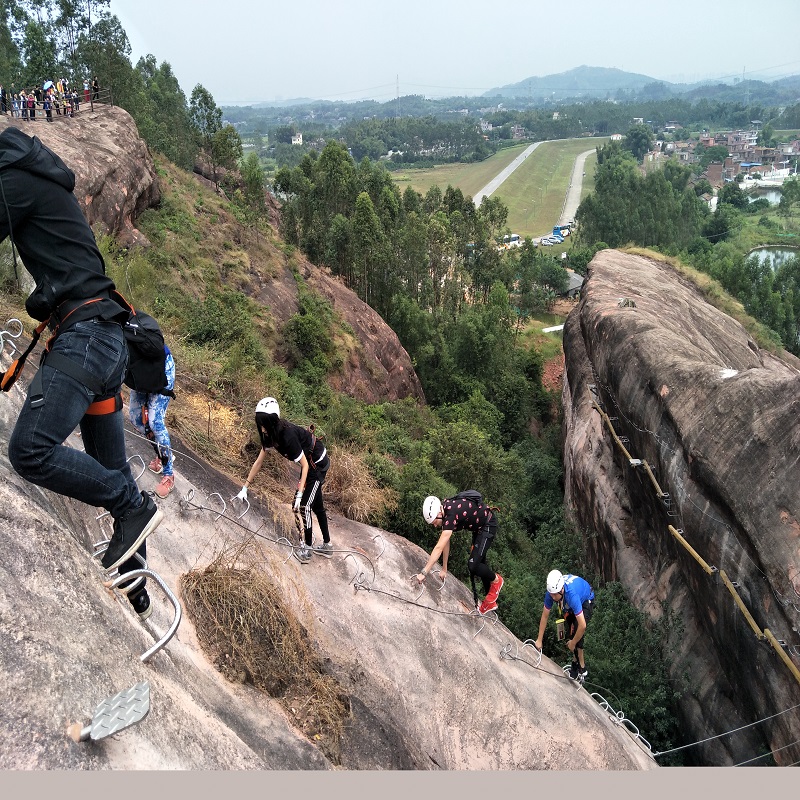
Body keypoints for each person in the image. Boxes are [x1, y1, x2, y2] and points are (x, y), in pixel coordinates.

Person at [0, 126, 163, 620]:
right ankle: (134, 583)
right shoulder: (39, 176)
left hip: (86, 340)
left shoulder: (10, 182)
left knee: (29, 450)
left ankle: (132, 507)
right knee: (111, 466)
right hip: (107, 341)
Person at [236, 397, 332, 563]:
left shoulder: (287, 437)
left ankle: (307, 549)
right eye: (260, 423)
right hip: (309, 464)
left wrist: (300, 495)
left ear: (272, 421)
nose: (262, 428)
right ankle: (327, 546)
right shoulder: (269, 434)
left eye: (264, 423)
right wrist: (244, 488)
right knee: (316, 505)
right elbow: (259, 461)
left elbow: (305, 466)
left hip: (317, 463)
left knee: (304, 506)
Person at [416, 492, 504, 615]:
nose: (435, 526)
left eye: (434, 522)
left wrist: (424, 572)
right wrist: (444, 568)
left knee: (473, 565)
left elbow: (439, 547)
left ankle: (497, 581)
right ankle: (490, 600)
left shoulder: (450, 514)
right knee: (479, 563)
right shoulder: (445, 510)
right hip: (478, 529)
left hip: (487, 525)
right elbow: (445, 543)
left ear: (439, 514)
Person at [128, 343, 176, 498]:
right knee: (137, 419)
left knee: (155, 421)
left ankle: (169, 475)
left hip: (161, 368)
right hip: (139, 374)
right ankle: (162, 453)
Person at [533, 569, 595, 681]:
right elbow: (545, 616)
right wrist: (539, 639)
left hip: (585, 599)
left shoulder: (572, 596)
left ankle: (581, 667)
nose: (552, 597)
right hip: (568, 606)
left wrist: (573, 643)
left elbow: (583, 626)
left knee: (577, 634)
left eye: (554, 595)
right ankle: (576, 664)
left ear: (561, 590)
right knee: (572, 634)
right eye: (551, 595)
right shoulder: (552, 592)